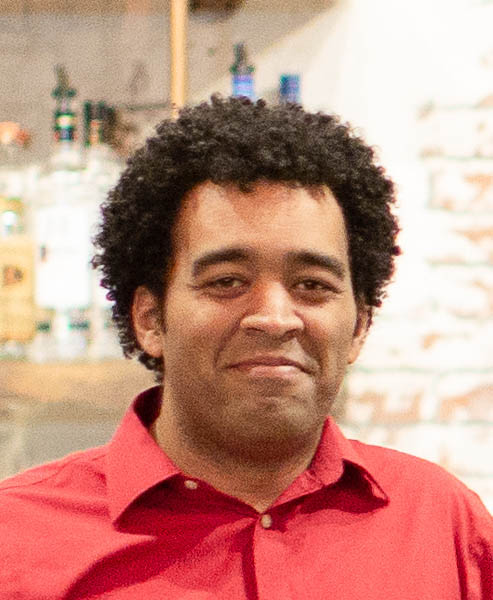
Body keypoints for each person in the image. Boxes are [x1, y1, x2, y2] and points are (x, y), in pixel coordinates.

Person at [1, 95, 492, 599]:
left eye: (313, 285)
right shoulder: (16, 543)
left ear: (359, 326)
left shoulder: (444, 527)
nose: (275, 319)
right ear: (150, 319)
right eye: (227, 281)